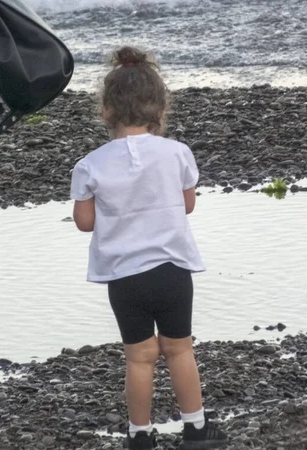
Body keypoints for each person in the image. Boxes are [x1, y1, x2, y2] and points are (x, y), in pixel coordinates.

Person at [70, 46, 228, 450]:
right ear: (160, 108)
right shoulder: (177, 153)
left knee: (139, 357)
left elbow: (85, 223)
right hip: (173, 269)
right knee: (179, 350)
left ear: (105, 110)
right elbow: (187, 204)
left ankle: (139, 436)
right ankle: (195, 429)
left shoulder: (90, 164)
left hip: (124, 276)